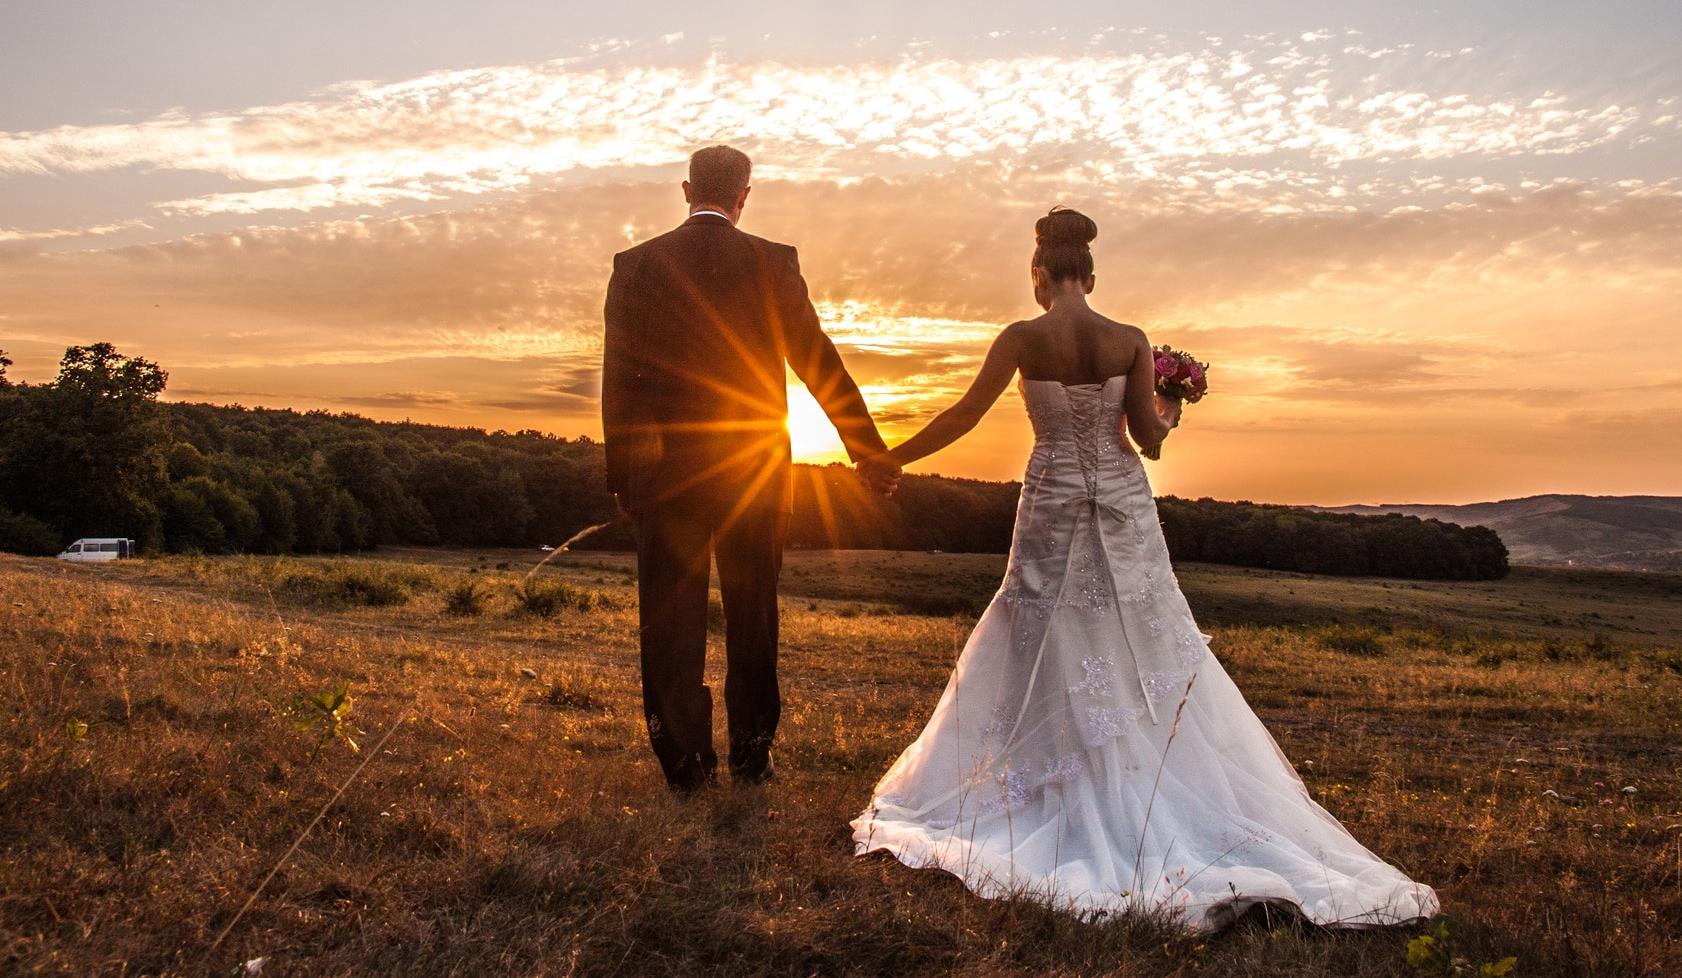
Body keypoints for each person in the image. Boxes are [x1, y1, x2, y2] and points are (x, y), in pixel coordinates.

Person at [851, 207, 1439, 929]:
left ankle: (1044, 779)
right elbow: (1150, 442)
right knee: (1139, 637)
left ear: (1040, 275)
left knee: (1039, 632)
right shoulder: (1126, 339)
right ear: (1089, 275)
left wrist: (891, 458)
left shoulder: (1021, 338)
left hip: (1052, 504)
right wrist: (1171, 405)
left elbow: (965, 415)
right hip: (1125, 509)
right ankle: (1141, 775)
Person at [602, 145, 894, 791]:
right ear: (744, 196)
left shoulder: (635, 265)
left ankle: (685, 765)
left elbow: (617, 379)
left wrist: (623, 476)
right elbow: (818, 359)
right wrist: (867, 449)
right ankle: (752, 754)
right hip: (756, 474)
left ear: (686, 190)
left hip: (667, 478)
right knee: (754, 619)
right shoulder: (772, 261)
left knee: (670, 625)